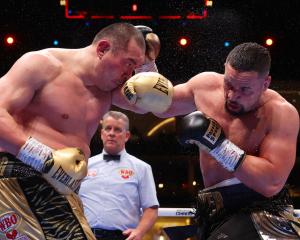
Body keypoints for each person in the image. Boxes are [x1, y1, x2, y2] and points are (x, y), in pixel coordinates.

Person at [0, 22, 171, 239]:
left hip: (62, 188)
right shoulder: (42, 64)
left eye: (134, 68)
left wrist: (147, 67)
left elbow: (162, 105)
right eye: (128, 64)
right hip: (23, 175)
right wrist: (41, 157)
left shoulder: (107, 90)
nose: (129, 75)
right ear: (102, 49)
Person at [118, 42, 300, 239]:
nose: (232, 95)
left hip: (259, 211)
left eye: (245, 89)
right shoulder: (205, 86)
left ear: (266, 84)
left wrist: (219, 146)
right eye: (229, 84)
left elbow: (271, 183)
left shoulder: (280, 113)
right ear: (224, 69)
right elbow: (163, 104)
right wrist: (145, 66)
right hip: (212, 211)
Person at [79, 111, 159, 240]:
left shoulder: (141, 168)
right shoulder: (85, 165)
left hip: (122, 237)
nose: (111, 133)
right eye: (108, 128)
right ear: (101, 134)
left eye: (117, 130)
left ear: (126, 136)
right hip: (85, 235)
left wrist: (139, 232)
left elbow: (151, 208)